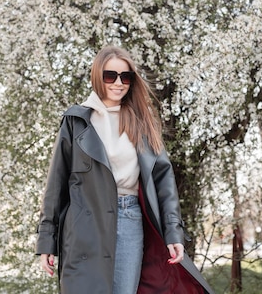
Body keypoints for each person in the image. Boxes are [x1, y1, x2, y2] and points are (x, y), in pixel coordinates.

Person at [36, 45, 214, 294]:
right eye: (111, 76)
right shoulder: (76, 121)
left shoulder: (142, 123)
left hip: (130, 220)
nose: (118, 83)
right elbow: (56, 183)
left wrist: (174, 234)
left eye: (125, 77)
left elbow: (165, 183)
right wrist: (46, 241)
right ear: (98, 76)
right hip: (84, 228)